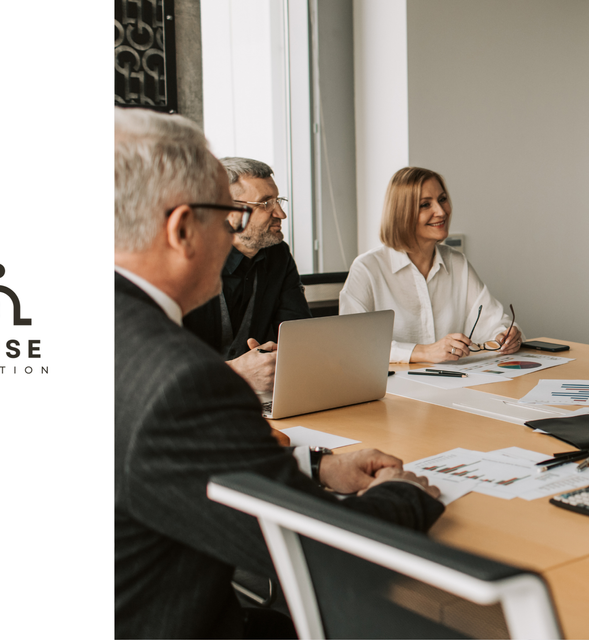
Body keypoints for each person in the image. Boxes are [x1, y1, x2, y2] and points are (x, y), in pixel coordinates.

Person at [113, 107, 444, 639]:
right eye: (226, 217)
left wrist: (312, 465)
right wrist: (404, 493)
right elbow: (318, 546)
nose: (232, 237)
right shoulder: (181, 381)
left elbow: (167, 463)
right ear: (181, 230)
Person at [339, 167, 523, 364]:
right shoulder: (367, 269)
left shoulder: (458, 264)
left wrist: (505, 336)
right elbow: (352, 345)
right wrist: (423, 352)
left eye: (442, 199)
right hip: (391, 390)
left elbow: (494, 321)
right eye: (425, 204)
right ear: (401, 213)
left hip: (455, 384)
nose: (441, 211)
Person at [182, 157, 310, 395]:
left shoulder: (278, 256)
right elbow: (160, 370)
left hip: (259, 400)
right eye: (265, 204)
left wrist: (281, 356)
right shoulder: (183, 264)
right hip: (191, 404)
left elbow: (299, 335)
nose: (280, 213)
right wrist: (235, 373)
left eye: (278, 201)